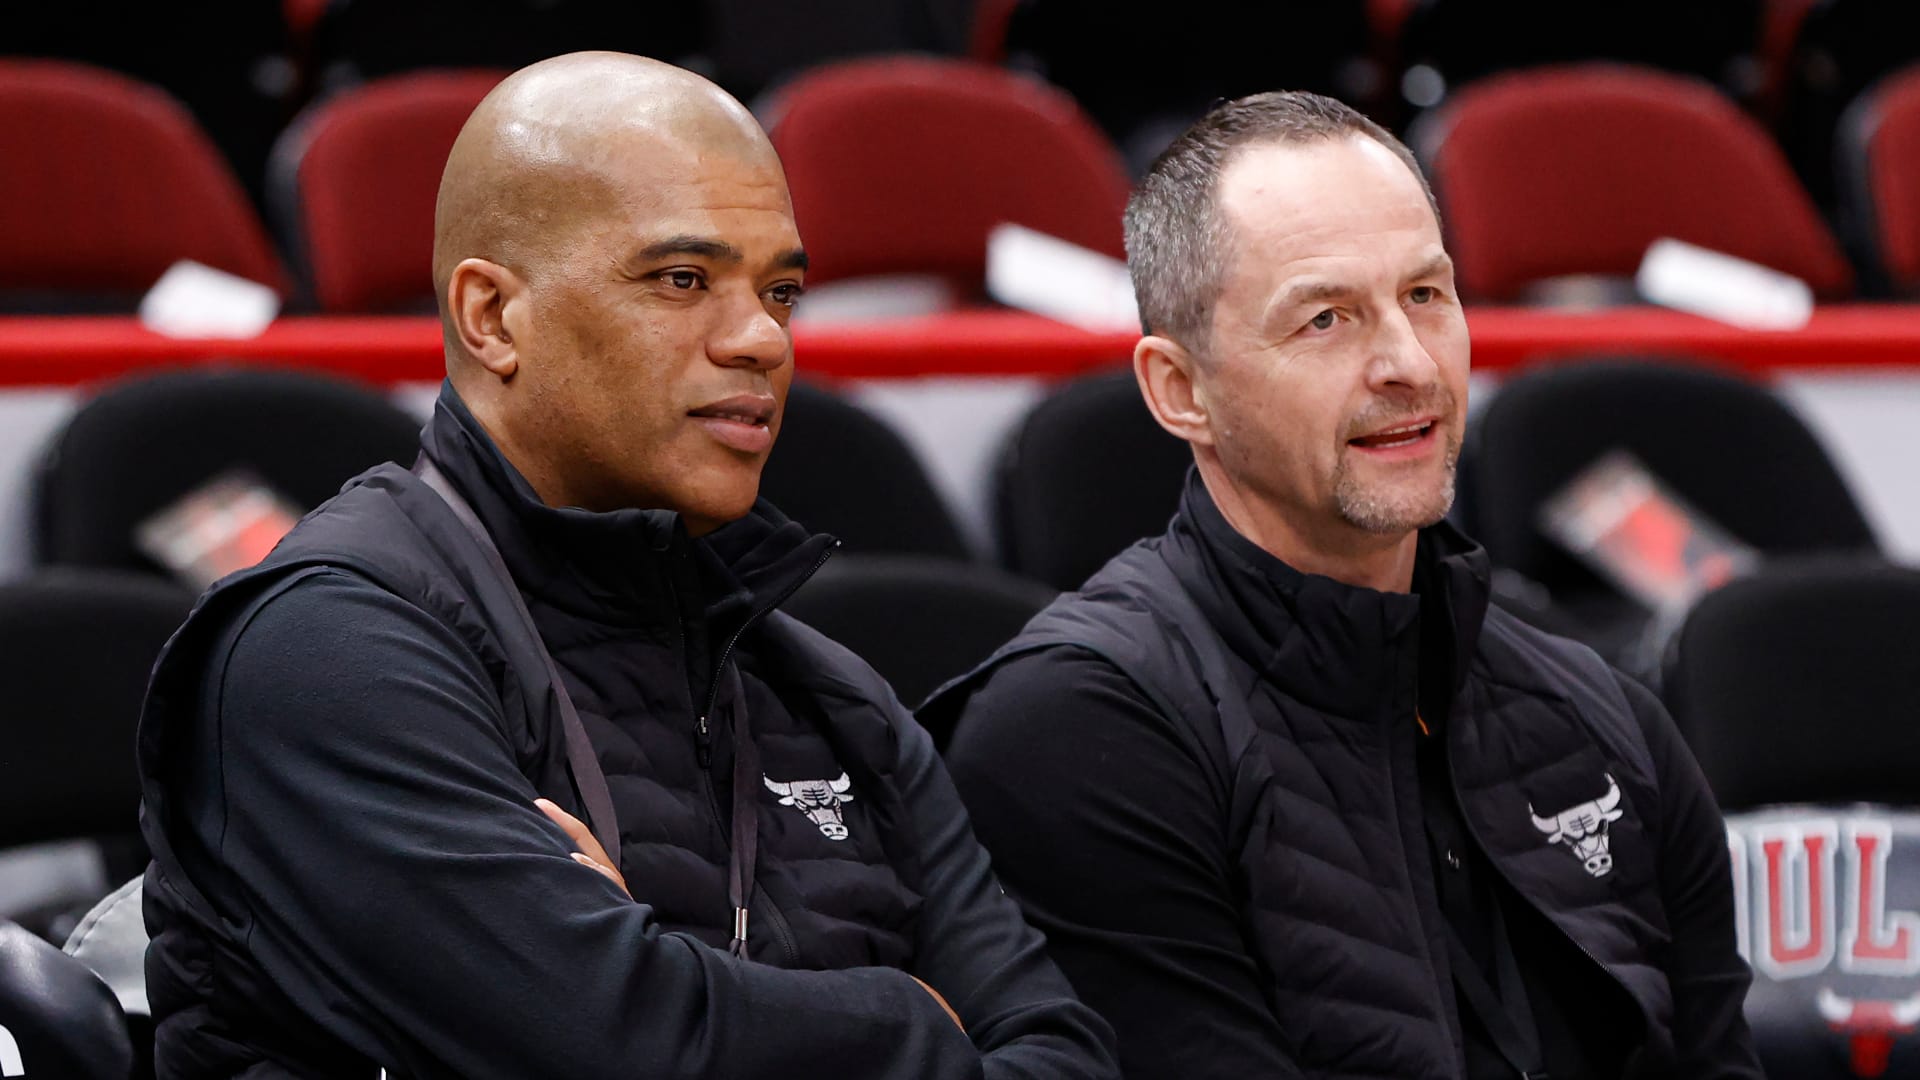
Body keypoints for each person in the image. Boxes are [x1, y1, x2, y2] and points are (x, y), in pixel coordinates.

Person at [136, 52, 1116, 1080]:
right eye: (682, 279)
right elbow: (618, 1049)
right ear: (491, 317)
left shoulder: (834, 698)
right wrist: (917, 1018)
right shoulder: (327, 646)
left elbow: (1067, 1061)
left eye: (781, 290)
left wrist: (671, 982)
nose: (762, 339)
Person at [926, 92, 1761, 1080]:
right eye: (1327, 319)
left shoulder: (1606, 718)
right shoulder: (1072, 728)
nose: (1408, 363)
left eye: (1427, 294)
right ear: (1180, 390)